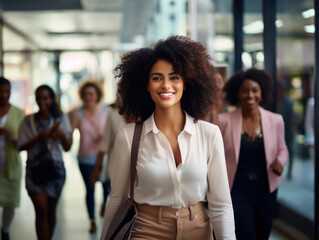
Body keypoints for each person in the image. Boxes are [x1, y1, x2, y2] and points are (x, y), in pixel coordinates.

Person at [101, 35, 235, 240]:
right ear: (146, 85)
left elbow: (221, 204)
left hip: (198, 229)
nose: (166, 85)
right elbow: (118, 199)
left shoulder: (209, 134)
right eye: (157, 78)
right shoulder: (128, 137)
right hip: (146, 230)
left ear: (186, 82)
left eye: (174, 77)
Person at [218, 68, 289, 240]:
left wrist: (280, 161)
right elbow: (215, 155)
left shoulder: (275, 120)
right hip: (237, 189)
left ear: (261, 93)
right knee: (246, 235)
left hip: (266, 189)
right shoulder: (223, 121)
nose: (250, 95)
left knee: (263, 235)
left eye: (254, 90)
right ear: (238, 94)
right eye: (245, 90)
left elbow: (283, 148)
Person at [17, 84, 72, 240]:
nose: (42, 101)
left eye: (46, 98)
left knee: (50, 211)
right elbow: (20, 146)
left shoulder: (60, 118)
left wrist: (60, 135)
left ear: (52, 99)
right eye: (39, 98)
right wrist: (40, 137)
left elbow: (67, 147)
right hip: (34, 171)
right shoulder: (28, 121)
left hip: (56, 170)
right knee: (41, 210)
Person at [69, 80, 110, 233]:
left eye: (91, 94)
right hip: (85, 158)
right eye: (85, 94)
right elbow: (70, 134)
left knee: (107, 187)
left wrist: (105, 137)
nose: (88, 97)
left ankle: (104, 204)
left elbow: (113, 132)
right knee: (90, 188)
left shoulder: (106, 111)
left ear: (97, 95)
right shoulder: (77, 113)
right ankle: (92, 220)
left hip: (105, 156)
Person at [0, 77, 25, 240]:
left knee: (10, 201)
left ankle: (5, 231)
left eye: (7, 91)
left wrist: (11, 136)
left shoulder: (19, 113)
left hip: (11, 164)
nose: (3, 95)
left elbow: (23, 141)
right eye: (0, 91)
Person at [90, 104, 126, 202]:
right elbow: (104, 144)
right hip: (116, 170)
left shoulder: (145, 114)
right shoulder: (113, 115)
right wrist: (96, 170)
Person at [277, 81, 295, 179]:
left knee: (290, 151)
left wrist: (292, 130)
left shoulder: (288, 102)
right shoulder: (274, 101)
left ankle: (289, 172)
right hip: (277, 131)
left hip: (287, 130)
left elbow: (292, 117)